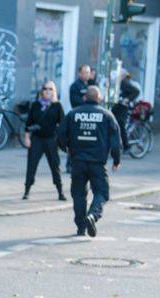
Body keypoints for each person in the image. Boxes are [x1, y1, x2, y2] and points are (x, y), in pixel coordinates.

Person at [58, 85, 121, 237]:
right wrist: (116, 160)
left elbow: (60, 135)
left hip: (77, 161)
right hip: (97, 163)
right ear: (99, 99)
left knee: (79, 194)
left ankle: (81, 228)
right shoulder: (107, 115)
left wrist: (66, 148)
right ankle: (93, 215)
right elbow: (115, 142)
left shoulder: (73, 114)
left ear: (85, 98)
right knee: (102, 192)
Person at [23, 80, 65, 201]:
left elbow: (62, 124)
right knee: (31, 165)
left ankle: (60, 191)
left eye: (50, 89)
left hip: (51, 140)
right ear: (42, 91)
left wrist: (63, 141)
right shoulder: (36, 105)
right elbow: (29, 122)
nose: (47, 91)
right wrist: (27, 137)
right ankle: (27, 191)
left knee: (55, 166)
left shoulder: (57, 106)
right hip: (36, 139)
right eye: (45, 88)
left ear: (54, 92)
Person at [111, 70, 140, 151]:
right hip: (114, 107)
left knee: (120, 123)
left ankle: (126, 145)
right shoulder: (112, 84)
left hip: (122, 107)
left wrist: (127, 99)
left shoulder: (124, 83)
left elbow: (136, 91)